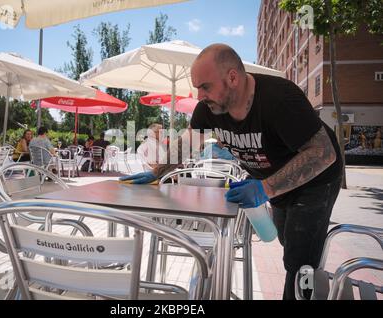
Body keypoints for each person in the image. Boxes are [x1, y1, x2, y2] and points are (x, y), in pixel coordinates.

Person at [120, 43, 343, 300]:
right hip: (273, 180)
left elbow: (323, 153)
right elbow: (189, 142)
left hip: (316, 180)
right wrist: (158, 172)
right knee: (287, 241)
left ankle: (310, 285)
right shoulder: (209, 108)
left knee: (300, 260)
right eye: (197, 88)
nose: (200, 95)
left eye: (205, 86)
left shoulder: (280, 99)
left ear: (233, 78)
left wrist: (266, 188)